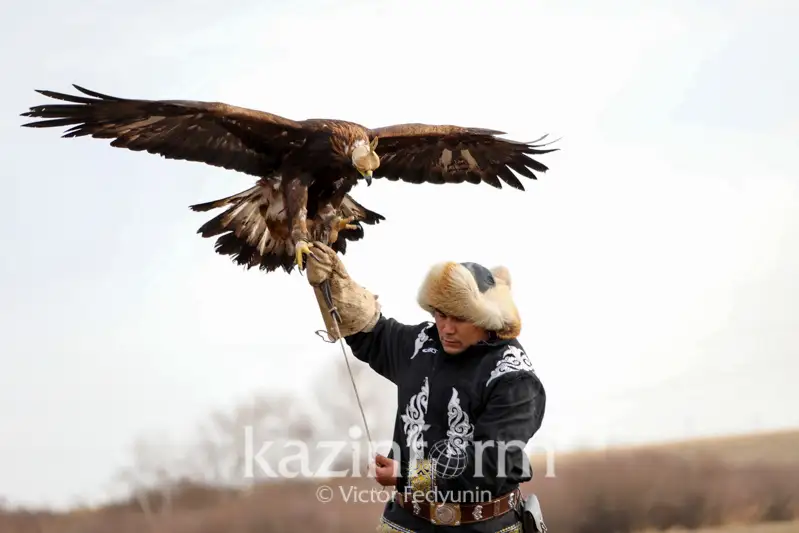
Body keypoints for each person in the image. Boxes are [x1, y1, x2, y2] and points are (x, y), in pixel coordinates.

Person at [305, 242, 546, 533]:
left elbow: (490, 465)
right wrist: (331, 283)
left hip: (485, 526)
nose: (446, 328)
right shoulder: (421, 344)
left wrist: (407, 475)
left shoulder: (514, 378)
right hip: (405, 522)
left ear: (487, 318)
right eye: (440, 314)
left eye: (459, 318)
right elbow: (370, 332)